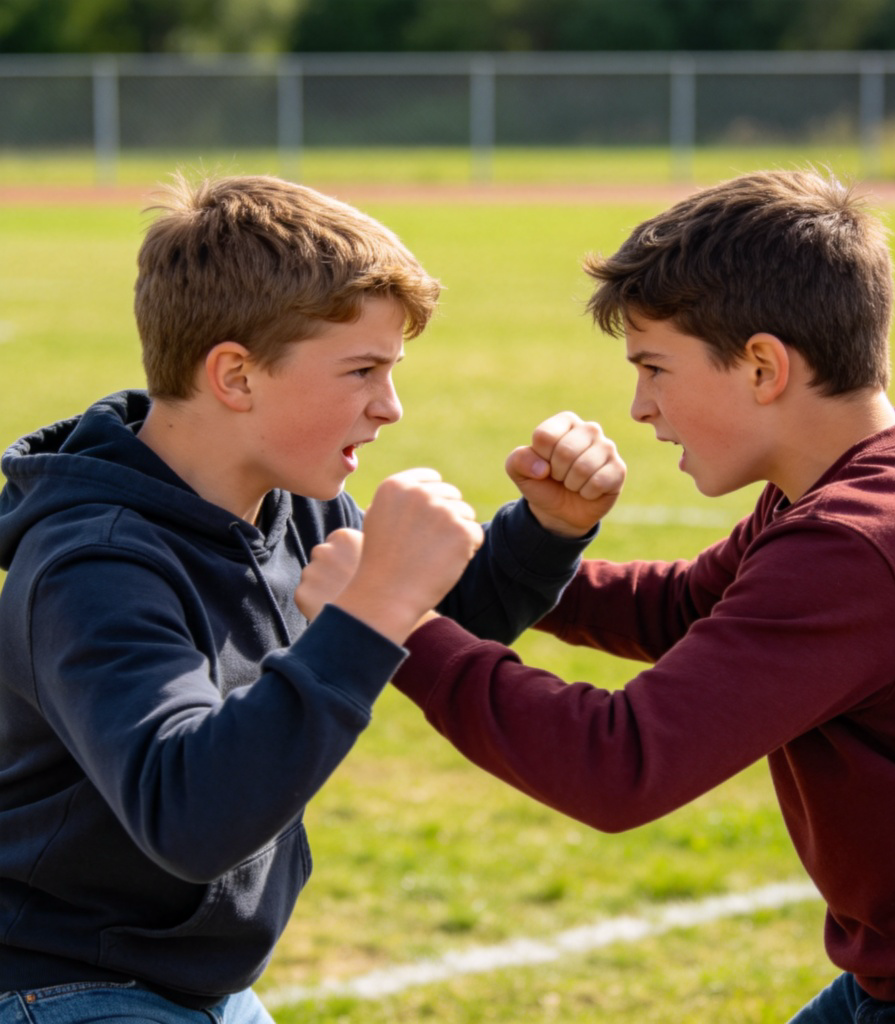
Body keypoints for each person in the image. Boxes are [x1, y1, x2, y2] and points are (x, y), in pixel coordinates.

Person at [297, 169, 895, 1022]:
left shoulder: (859, 541)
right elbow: (684, 609)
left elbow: (619, 765)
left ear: (762, 366)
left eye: (654, 367)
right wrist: (537, 541)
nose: (641, 406)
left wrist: (400, 624)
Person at [0, 174, 625, 1021]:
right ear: (235, 375)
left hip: (197, 981)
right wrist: (368, 609)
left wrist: (546, 530)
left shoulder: (296, 500)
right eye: (363, 370)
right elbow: (191, 815)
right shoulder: (94, 563)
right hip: (61, 984)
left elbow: (431, 627)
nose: (390, 407)